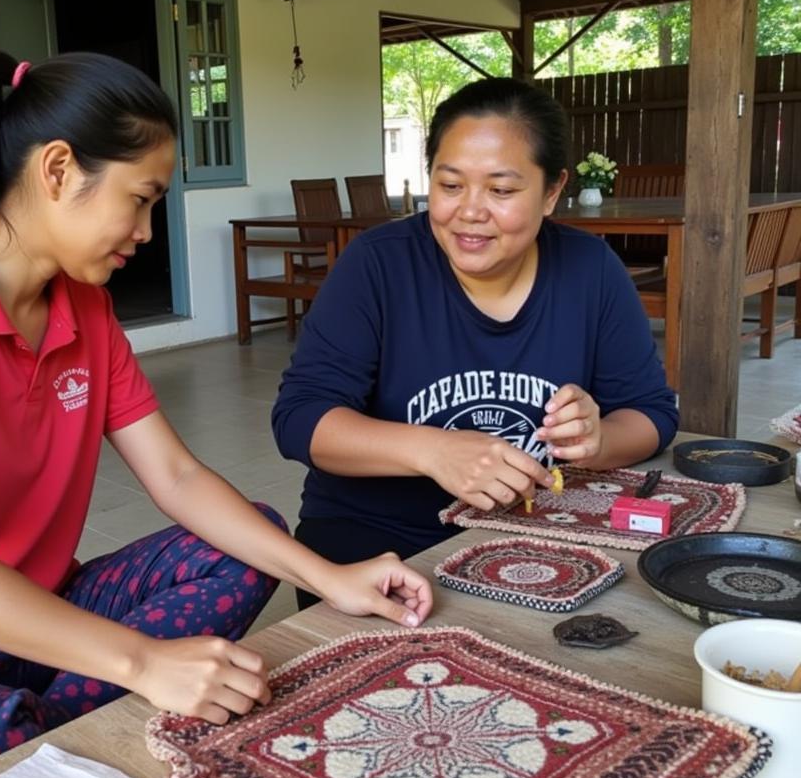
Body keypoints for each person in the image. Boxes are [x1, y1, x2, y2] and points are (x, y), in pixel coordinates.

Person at [0, 49, 432, 778]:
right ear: (57, 170)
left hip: (36, 618)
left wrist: (331, 577)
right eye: (141, 199)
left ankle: (42, 744)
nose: (148, 232)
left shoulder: (84, 312)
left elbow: (178, 479)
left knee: (246, 536)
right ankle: (49, 736)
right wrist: (143, 662)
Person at [273, 78, 678, 608]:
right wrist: (433, 449)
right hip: (376, 548)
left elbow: (651, 413)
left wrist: (599, 440)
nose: (470, 210)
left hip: (536, 536)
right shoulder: (378, 265)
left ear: (552, 191)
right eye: (450, 185)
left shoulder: (591, 271)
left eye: (502, 190)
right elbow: (300, 418)